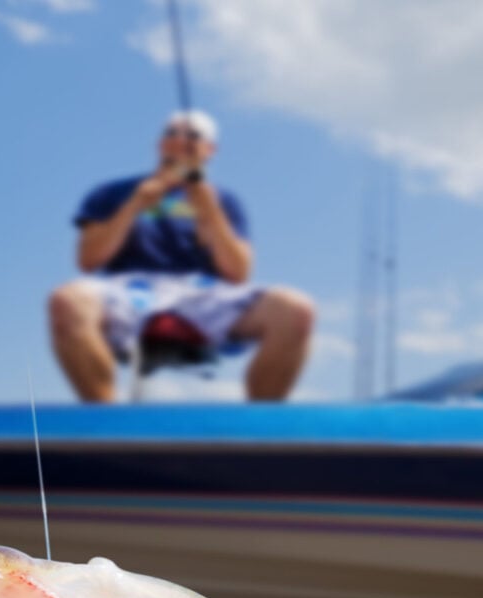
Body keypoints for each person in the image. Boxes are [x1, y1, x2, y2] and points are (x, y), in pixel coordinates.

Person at [48, 110, 316, 402]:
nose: (180, 140)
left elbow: (238, 274)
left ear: (210, 149)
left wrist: (210, 211)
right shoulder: (111, 192)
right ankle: (103, 422)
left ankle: (263, 430)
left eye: (192, 135)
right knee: (67, 301)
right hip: (127, 289)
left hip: (205, 292)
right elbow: (89, 260)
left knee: (295, 310)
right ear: (159, 143)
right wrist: (135, 203)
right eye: (171, 133)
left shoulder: (225, 200)